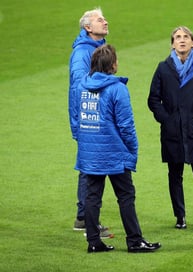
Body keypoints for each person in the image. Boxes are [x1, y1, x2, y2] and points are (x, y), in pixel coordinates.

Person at [74, 44, 161, 253]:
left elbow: (80, 119)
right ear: (112, 65)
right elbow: (126, 125)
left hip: (89, 152)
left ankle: (94, 242)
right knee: (126, 195)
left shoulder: (81, 87)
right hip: (114, 152)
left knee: (92, 197)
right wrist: (132, 150)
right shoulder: (117, 89)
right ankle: (134, 240)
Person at [148, 26, 193, 231]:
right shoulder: (163, 68)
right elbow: (153, 99)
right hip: (172, 132)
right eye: (177, 37)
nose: (182, 40)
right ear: (172, 44)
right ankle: (180, 217)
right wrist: (166, 119)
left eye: (186, 37)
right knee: (174, 175)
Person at [68, 7, 112, 238]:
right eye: (99, 19)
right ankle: (86, 220)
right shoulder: (83, 53)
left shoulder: (96, 48)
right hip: (89, 118)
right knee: (91, 169)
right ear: (88, 27)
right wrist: (84, 121)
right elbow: (79, 87)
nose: (105, 22)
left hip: (94, 117)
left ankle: (84, 217)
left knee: (91, 168)